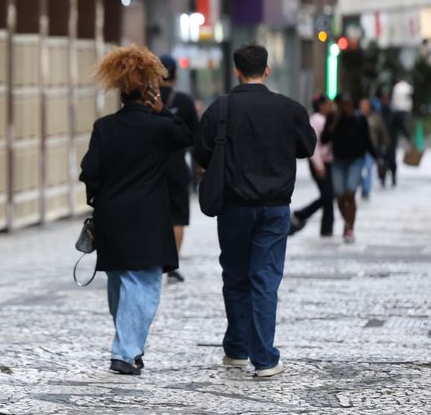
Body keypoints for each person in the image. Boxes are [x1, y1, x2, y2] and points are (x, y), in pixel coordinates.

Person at [194, 43, 316, 379]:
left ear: (237, 71)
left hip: (233, 206)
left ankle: (236, 349)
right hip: (275, 207)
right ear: (267, 70)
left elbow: (201, 154)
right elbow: (307, 147)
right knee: (265, 279)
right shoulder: (289, 109)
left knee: (235, 276)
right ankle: (264, 359)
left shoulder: (221, 108)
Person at [80, 46, 192, 376]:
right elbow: (186, 136)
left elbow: (90, 171)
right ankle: (125, 351)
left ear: (120, 91)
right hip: (148, 217)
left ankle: (129, 344)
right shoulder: (159, 128)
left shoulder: (104, 127)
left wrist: (98, 200)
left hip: (112, 216)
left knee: (120, 282)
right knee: (143, 284)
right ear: (148, 92)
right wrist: (163, 111)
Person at [158, 54, 200, 283]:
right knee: (178, 218)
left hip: (150, 169)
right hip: (176, 166)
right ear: (175, 75)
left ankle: (152, 259)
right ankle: (171, 265)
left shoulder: (146, 99)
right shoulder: (184, 101)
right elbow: (195, 137)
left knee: (153, 215)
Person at [322, 93, 374, 244]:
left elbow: (367, 140)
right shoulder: (333, 117)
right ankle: (347, 222)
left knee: (350, 193)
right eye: (344, 104)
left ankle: (350, 227)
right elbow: (324, 139)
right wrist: (335, 122)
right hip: (338, 161)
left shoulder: (359, 118)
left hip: (356, 160)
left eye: (349, 104)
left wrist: (377, 157)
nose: (347, 107)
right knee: (340, 197)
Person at [291, 95, 335, 238]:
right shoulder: (316, 120)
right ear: (321, 105)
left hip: (328, 162)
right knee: (328, 195)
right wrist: (318, 165)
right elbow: (314, 145)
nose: (330, 107)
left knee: (329, 196)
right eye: (327, 104)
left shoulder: (329, 119)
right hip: (319, 163)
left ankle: (327, 228)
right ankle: (301, 215)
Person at [360, 98, 389, 200]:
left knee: (368, 169)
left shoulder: (376, 118)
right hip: (357, 149)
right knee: (358, 170)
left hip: (370, 148)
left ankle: (366, 190)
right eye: (362, 106)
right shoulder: (356, 116)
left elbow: (382, 133)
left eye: (365, 106)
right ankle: (362, 187)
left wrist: (384, 145)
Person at [390, 76, 414, 182]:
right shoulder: (406, 87)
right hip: (403, 111)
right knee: (404, 129)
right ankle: (409, 139)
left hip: (399, 111)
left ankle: (409, 140)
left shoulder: (397, 87)